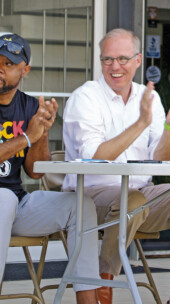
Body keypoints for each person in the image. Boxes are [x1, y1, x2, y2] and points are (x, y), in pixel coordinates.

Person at [62, 28, 170, 304]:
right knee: (134, 199)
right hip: (91, 196)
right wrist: (140, 122)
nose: (115, 67)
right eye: (107, 60)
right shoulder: (87, 96)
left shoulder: (148, 96)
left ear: (138, 60)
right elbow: (95, 157)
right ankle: (103, 282)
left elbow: (161, 160)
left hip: (138, 195)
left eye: (123, 59)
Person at [0, 33, 99, 303]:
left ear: (25, 70)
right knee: (3, 198)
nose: (0, 69)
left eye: (8, 64)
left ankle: (87, 299)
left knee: (82, 206)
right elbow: (25, 141)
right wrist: (26, 137)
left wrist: (42, 132)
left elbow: (35, 172)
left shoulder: (31, 106)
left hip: (15, 205)